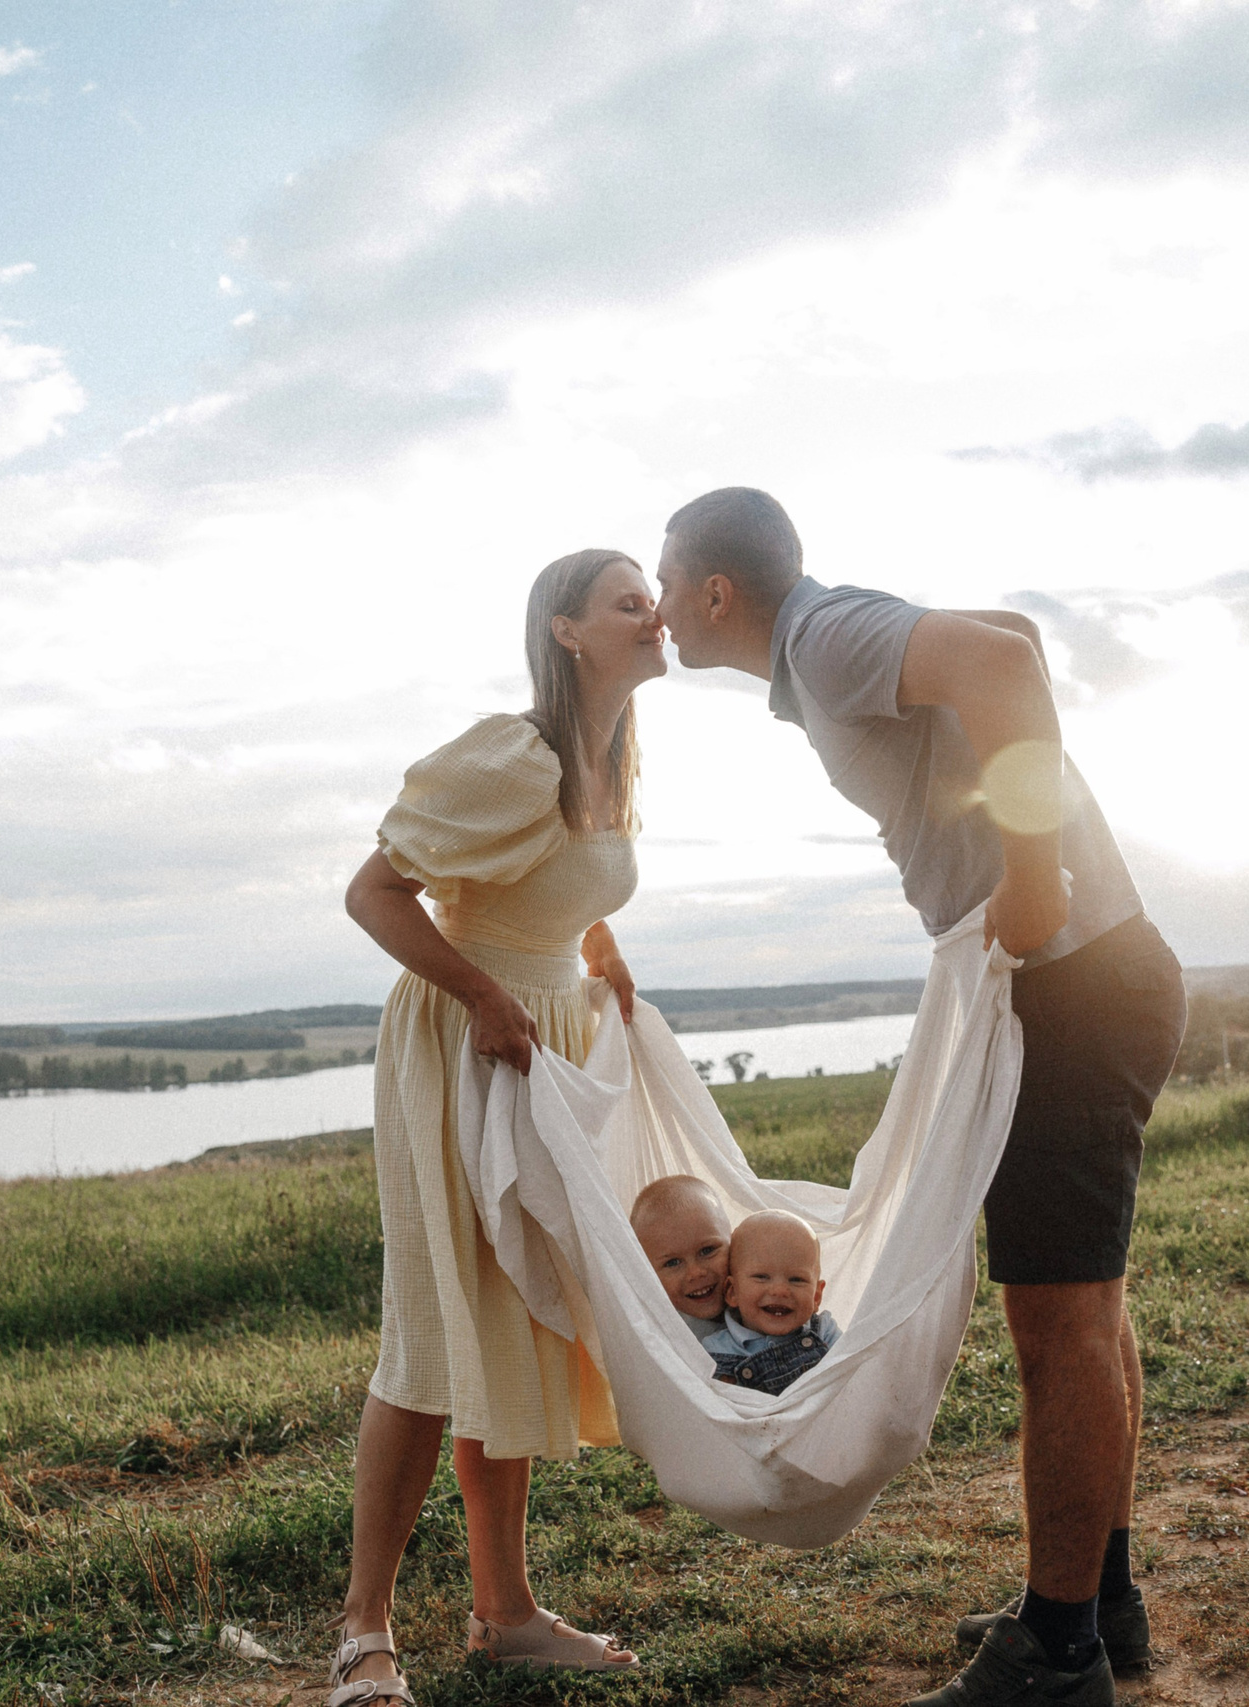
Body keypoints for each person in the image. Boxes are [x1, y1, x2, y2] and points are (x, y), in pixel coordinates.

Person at [654, 489, 1187, 1707]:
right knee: (1082, 1315)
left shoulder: (822, 636)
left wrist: (1033, 872)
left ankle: (1055, 1655)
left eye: (668, 583)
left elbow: (1000, 661)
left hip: (1071, 991)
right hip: (1082, 987)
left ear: (715, 592)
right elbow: (1013, 637)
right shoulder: (827, 646)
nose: (665, 611)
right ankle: (1098, 1603)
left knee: (1060, 1329)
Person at [328, 549, 664, 1707]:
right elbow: (374, 893)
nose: (653, 612)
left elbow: (562, 890)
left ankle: (505, 1612)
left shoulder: (614, 755)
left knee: (514, 1316)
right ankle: (364, 1634)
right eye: (629, 598)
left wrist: (600, 963)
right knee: (432, 1328)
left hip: (547, 1038)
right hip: (466, 1043)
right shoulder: (513, 754)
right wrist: (481, 995)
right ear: (567, 630)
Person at [698, 1209, 838, 1396]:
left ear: (816, 1296)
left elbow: (859, 1375)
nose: (780, 1291)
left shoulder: (824, 1333)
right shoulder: (712, 1352)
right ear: (732, 1292)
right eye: (761, 1277)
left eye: (796, 1279)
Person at [629, 1174, 734, 1343]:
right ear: (648, 1274)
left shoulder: (761, 1289)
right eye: (673, 1263)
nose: (696, 1272)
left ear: (733, 1239)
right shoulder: (662, 1339)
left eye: (707, 1250)